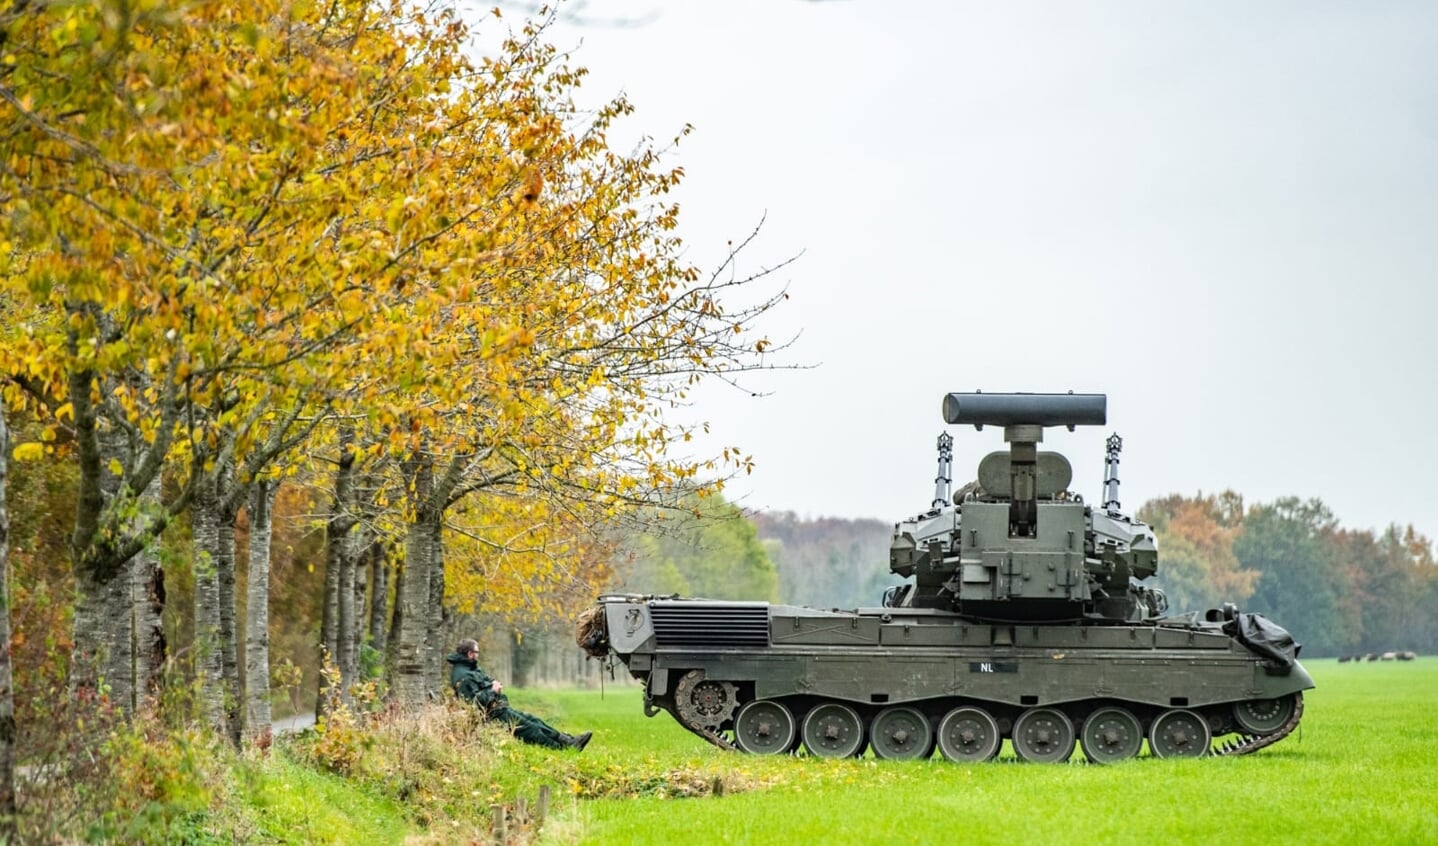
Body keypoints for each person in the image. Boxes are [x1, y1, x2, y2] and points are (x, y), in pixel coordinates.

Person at [446, 638, 592, 751]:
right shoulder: (463, 675)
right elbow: (473, 703)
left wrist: (493, 685)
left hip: (499, 709)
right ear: (470, 654)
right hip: (492, 715)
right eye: (477, 652)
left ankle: (567, 741)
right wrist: (492, 690)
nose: (478, 655)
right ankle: (563, 749)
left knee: (535, 721)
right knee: (531, 730)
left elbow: (483, 684)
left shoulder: (470, 668)